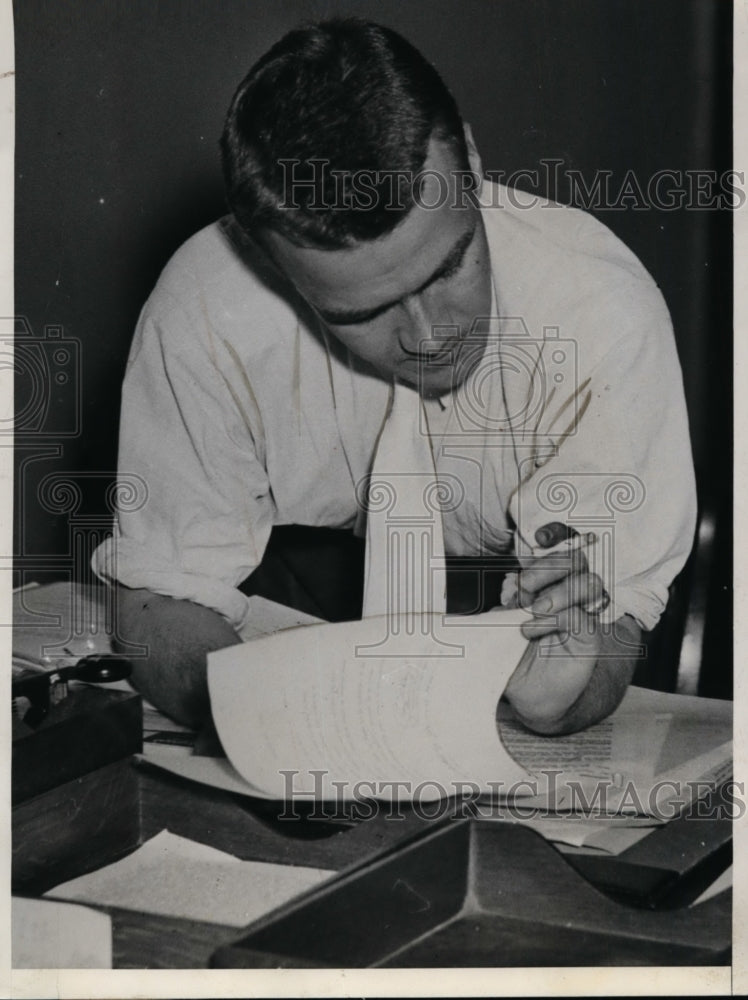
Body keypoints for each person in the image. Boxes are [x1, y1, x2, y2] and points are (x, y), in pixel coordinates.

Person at [93, 18, 696, 737]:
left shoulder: (602, 314)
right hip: (285, 614)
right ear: (269, 260)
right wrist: (263, 726)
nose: (430, 335)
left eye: (449, 266)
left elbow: (613, 621)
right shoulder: (206, 309)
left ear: (469, 158)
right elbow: (161, 595)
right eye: (362, 312)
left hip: (505, 625)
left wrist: (560, 695)